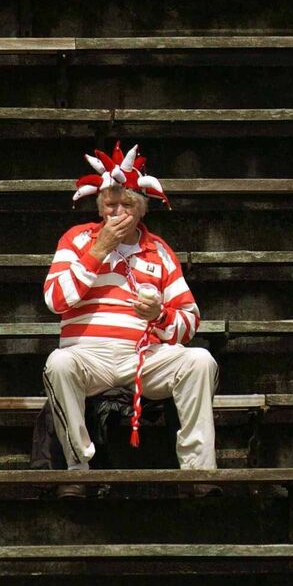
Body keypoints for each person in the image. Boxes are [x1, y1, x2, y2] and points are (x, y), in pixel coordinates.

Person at [42, 142, 218, 494]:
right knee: (58, 363)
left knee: (199, 360)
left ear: (142, 210)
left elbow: (189, 320)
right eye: (111, 204)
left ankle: (200, 473)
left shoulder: (160, 250)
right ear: (99, 206)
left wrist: (160, 314)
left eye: (127, 204)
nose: (118, 211)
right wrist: (99, 249)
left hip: (145, 358)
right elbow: (56, 300)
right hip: (88, 355)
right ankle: (78, 468)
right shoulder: (77, 239)